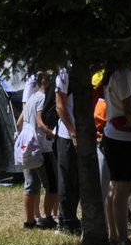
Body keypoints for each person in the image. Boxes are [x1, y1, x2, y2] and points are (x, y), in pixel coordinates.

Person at [100, 64, 131, 245]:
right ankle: (123, 239)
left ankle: (114, 235)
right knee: (123, 190)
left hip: (118, 136)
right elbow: (128, 109)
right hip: (124, 139)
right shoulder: (122, 75)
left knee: (115, 188)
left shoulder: (118, 74)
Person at [17, 70, 58, 230]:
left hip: (27, 148)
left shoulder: (31, 99)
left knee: (31, 184)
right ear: (44, 82)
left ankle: (29, 221)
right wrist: (55, 137)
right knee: (53, 184)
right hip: (42, 148)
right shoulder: (42, 99)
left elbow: (20, 122)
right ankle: (47, 218)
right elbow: (40, 123)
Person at [53, 67, 82, 233]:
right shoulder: (64, 74)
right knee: (66, 178)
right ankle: (66, 221)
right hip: (66, 135)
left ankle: (69, 218)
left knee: (77, 179)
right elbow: (60, 107)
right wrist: (72, 131)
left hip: (81, 133)